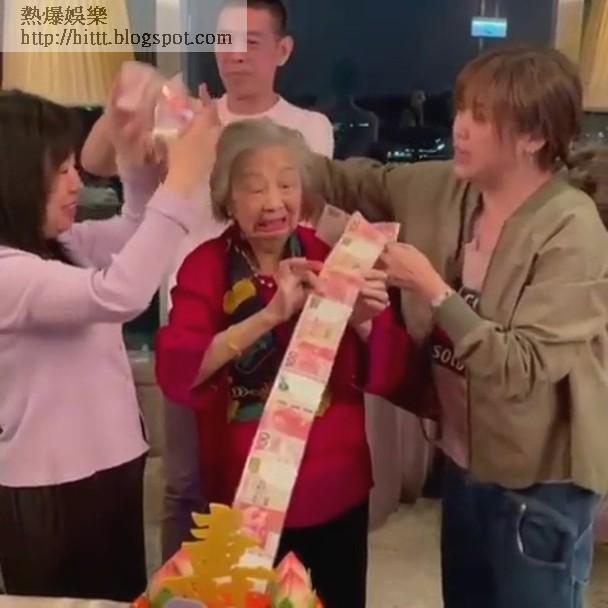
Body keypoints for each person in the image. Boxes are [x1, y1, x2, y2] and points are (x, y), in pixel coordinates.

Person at [302, 46, 608, 608]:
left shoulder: (572, 228)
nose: (460, 127)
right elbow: (353, 181)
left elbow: (524, 368)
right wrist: (261, 152)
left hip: (540, 484)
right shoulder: (447, 189)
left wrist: (432, 288)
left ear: (534, 137)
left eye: (482, 117)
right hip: (464, 466)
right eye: (462, 109)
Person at [81, 0, 335, 562]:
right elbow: (94, 161)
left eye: (251, 41)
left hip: (277, 316)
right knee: (185, 483)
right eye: (224, 41)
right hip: (193, 318)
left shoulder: (308, 128)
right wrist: (133, 98)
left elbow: (295, 212)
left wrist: (203, 143)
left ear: (283, 51)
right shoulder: (187, 117)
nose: (234, 54)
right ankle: (181, 593)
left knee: (265, 479)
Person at [155, 117, 411, 608]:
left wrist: (362, 322)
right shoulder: (206, 267)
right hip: (249, 492)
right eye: (255, 189)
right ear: (227, 199)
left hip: (337, 482)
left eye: (287, 185)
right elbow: (180, 366)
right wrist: (269, 316)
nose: (274, 202)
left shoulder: (330, 257)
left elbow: (389, 367)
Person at [0, 89, 217, 600]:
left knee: (119, 595)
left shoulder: (60, 244)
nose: (77, 182)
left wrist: (133, 157)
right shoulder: (9, 272)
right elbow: (120, 293)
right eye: (62, 170)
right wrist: (184, 178)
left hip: (114, 462)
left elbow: (135, 230)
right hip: (49, 485)